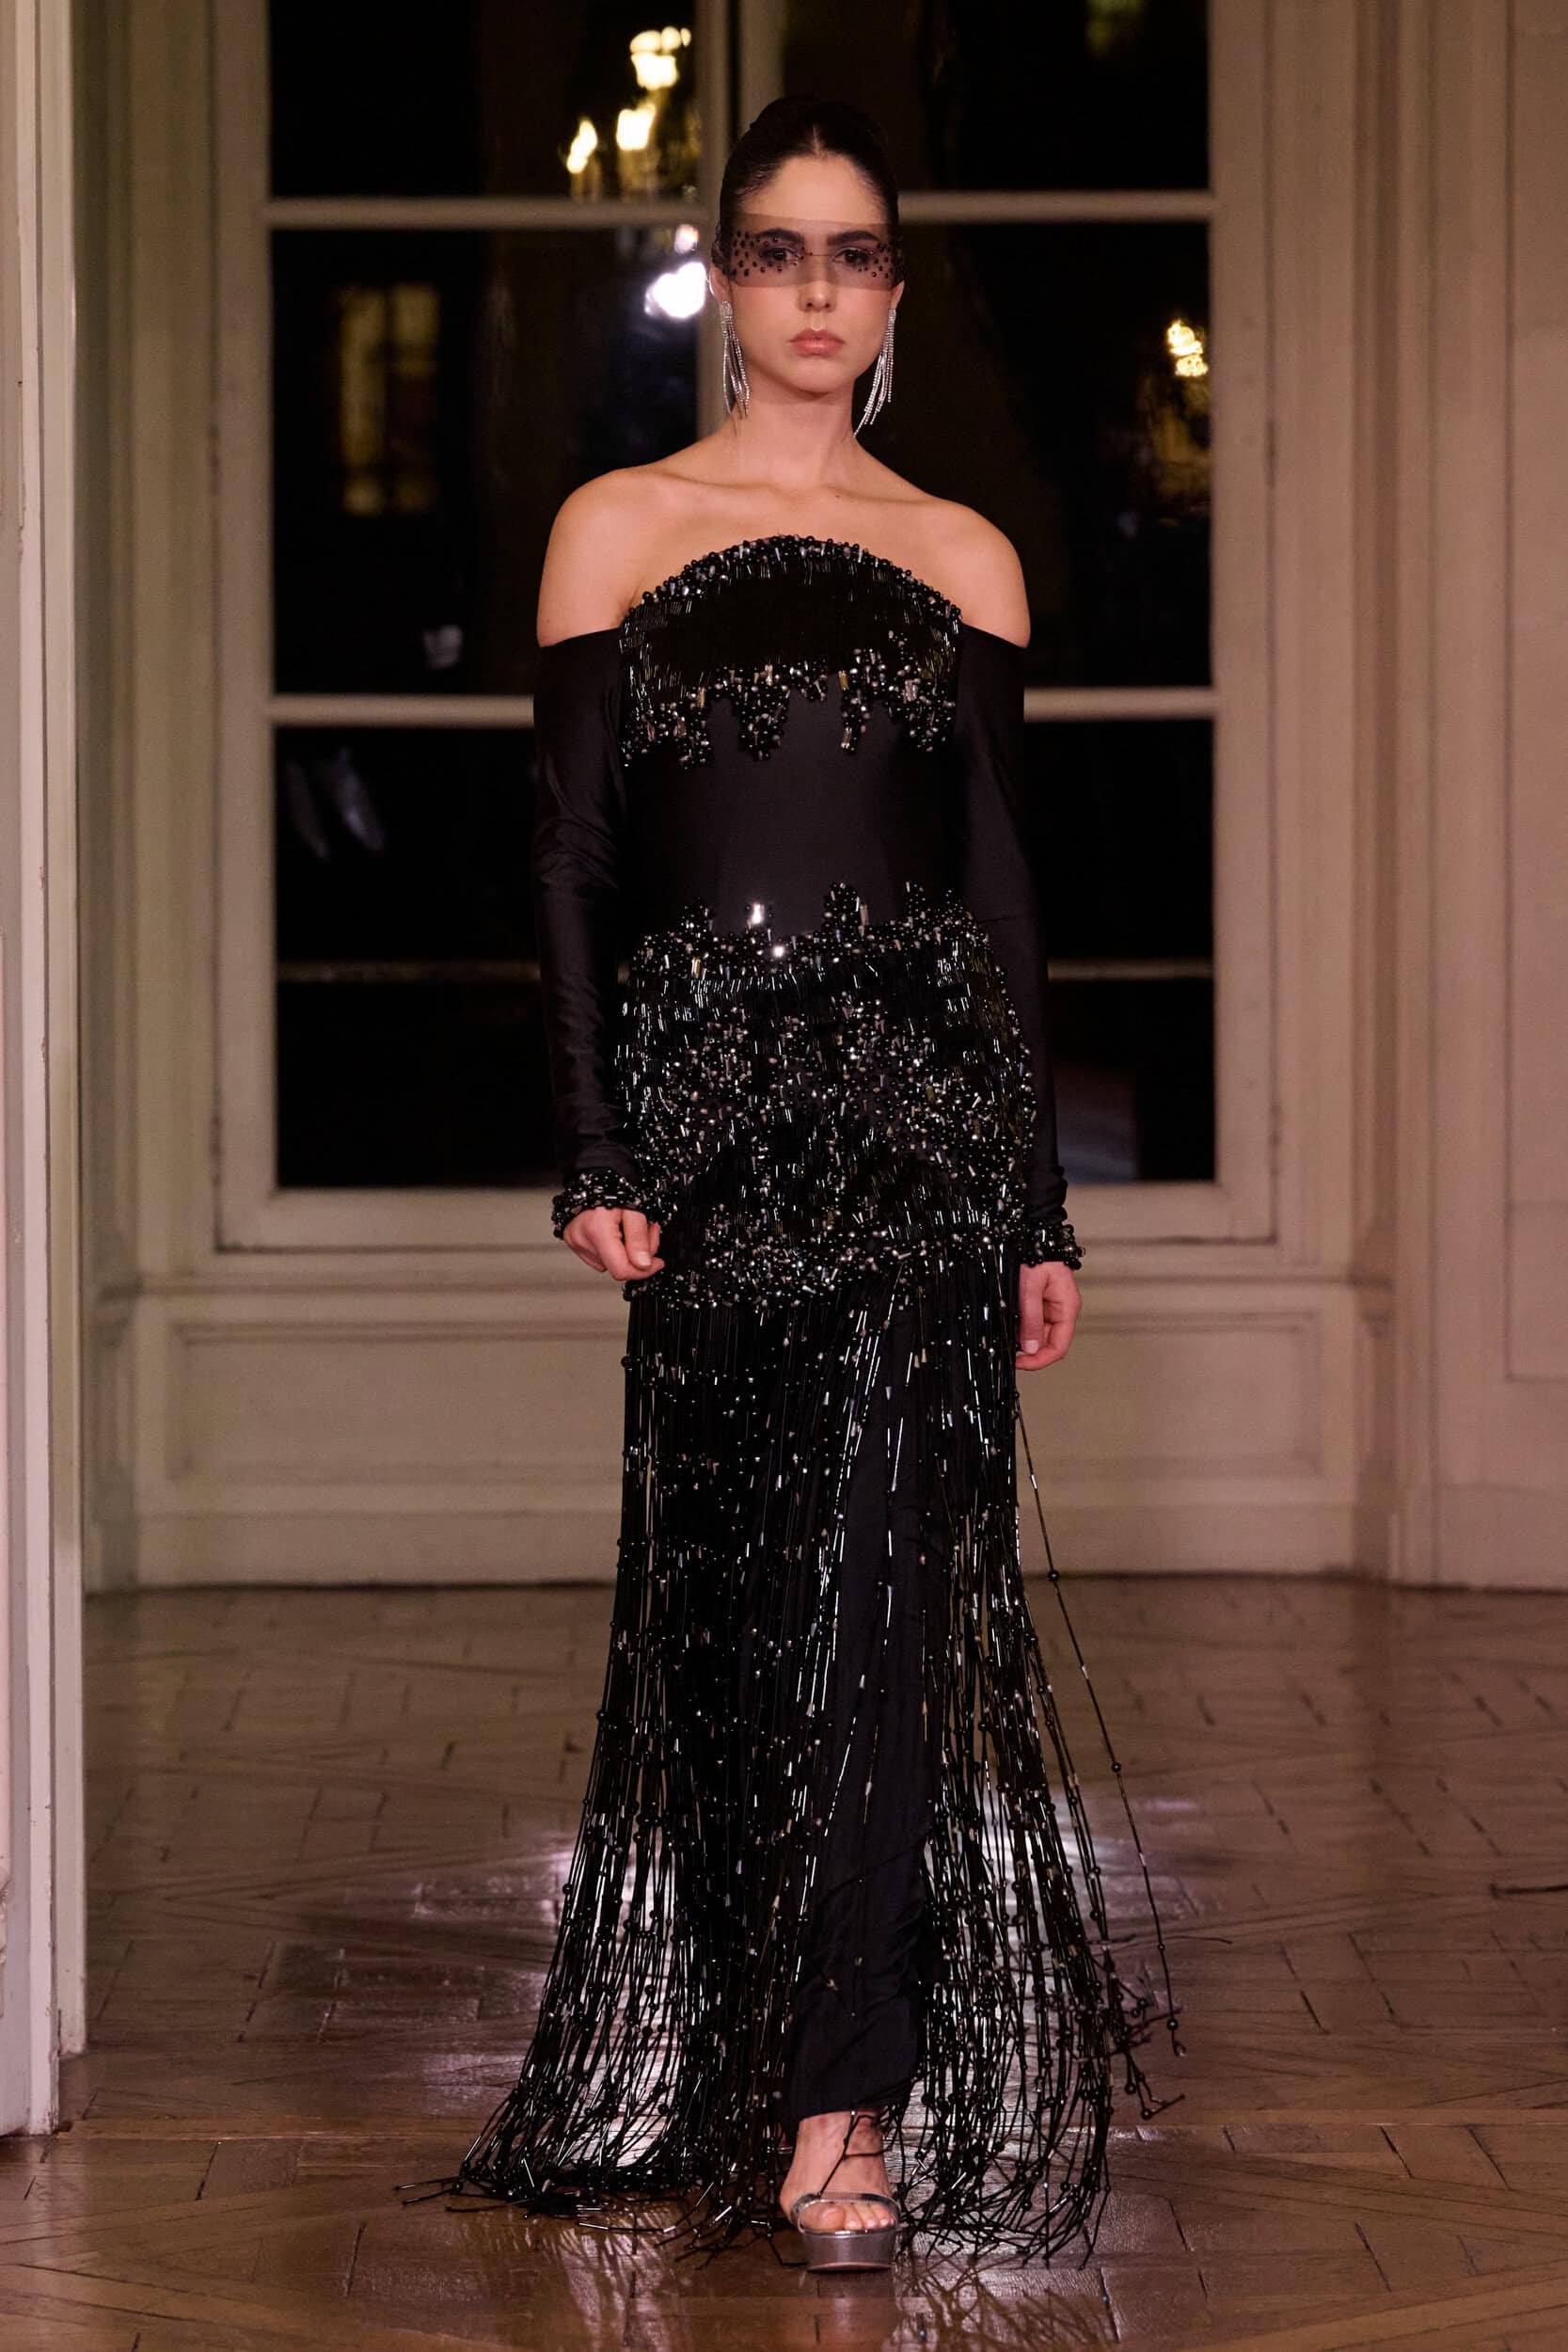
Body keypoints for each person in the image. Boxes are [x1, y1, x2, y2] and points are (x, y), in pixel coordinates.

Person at [414, 94, 1182, 2269]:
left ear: (894, 292)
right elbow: (569, 860)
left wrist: (1031, 1197)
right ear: (728, 279)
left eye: (853, 254)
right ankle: (773, 2067)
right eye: (779, 251)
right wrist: (596, 1143)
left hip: (919, 1147)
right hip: (714, 1154)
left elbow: (1000, 892)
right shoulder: (615, 528)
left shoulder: (964, 554)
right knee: (748, 1626)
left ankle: (846, 2108)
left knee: (880, 1625)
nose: (817, 291)